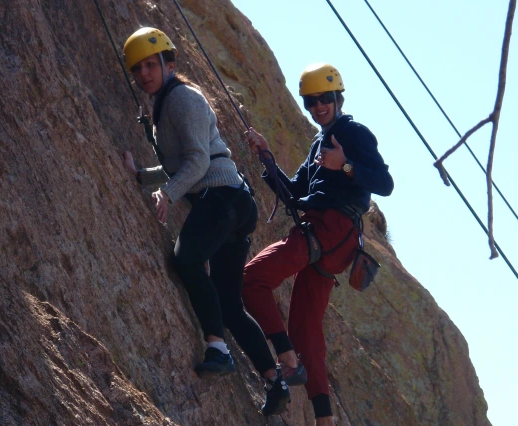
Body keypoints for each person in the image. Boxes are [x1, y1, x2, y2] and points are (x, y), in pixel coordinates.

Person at [120, 27, 290, 416]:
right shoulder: (168, 104)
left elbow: (197, 163)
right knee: (230, 303)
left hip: (221, 197)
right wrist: (144, 177)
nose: (143, 74)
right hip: (233, 203)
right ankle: (274, 380)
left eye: (150, 65)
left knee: (186, 259)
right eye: (137, 69)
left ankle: (217, 348)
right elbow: (181, 164)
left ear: (170, 65)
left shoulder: (181, 99)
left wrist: (168, 193)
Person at [242, 63, 394, 425]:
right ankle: (325, 419)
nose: (318, 107)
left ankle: (287, 361)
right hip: (328, 235)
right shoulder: (317, 145)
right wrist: (266, 156)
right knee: (306, 333)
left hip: (332, 228)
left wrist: (345, 166)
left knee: (251, 279)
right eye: (311, 102)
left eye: (325, 99)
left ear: (338, 98)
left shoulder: (353, 132)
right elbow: (295, 194)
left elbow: (385, 183)